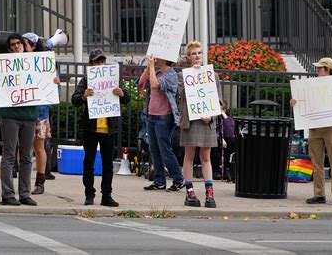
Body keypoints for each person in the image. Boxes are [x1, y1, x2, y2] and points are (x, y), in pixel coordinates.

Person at [71, 49, 131, 206]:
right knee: (89, 162)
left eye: (102, 61)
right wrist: (83, 96)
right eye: (97, 61)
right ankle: (89, 194)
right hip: (91, 128)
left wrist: (122, 93)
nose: (100, 64)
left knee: (108, 164)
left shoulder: (112, 79)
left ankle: (106, 196)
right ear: (91, 64)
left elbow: (127, 98)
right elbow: (75, 100)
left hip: (109, 128)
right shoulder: (86, 80)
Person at [0, 33, 38, 206]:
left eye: (20, 43)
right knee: (9, 155)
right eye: (13, 44)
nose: (17, 46)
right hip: (10, 115)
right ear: (9, 48)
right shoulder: (3, 66)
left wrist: (53, 81)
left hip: (29, 116)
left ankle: (24, 193)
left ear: (25, 46)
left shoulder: (34, 64)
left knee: (26, 156)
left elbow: (44, 84)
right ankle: (8, 194)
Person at [290, 57, 332, 206]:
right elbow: (303, 102)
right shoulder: (310, 86)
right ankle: (319, 194)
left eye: (320, 68)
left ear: (328, 70)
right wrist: (295, 103)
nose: (317, 70)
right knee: (317, 163)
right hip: (315, 128)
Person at [177, 41, 222, 208]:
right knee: (189, 156)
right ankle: (190, 192)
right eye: (194, 53)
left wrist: (211, 115)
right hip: (191, 121)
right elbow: (181, 97)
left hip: (207, 122)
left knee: (205, 157)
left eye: (199, 53)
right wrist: (192, 77)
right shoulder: (183, 76)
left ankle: (209, 193)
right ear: (189, 57)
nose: (197, 56)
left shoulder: (213, 76)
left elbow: (218, 100)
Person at [139, 54, 184, 192]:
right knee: (154, 150)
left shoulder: (171, 75)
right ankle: (159, 181)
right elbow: (141, 82)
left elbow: (154, 85)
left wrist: (152, 67)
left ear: (165, 58)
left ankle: (178, 179)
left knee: (165, 150)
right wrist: (148, 68)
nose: (155, 58)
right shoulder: (156, 72)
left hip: (164, 117)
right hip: (151, 116)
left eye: (158, 56)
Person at [22, 32, 60, 194]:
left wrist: (56, 83)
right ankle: (23, 179)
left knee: (38, 147)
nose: (21, 48)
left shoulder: (45, 64)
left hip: (40, 112)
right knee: (22, 148)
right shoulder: (19, 61)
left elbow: (55, 91)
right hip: (23, 111)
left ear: (32, 46)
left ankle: (40, 182)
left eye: (24, 44)